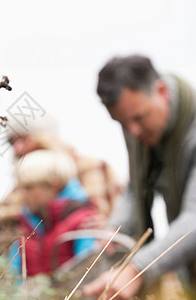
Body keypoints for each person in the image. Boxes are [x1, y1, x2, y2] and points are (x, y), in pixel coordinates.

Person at [83, 54, 196, 299]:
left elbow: (195, 217)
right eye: (122, 123)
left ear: (162, 90)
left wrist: (137, 268)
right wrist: (114, 227)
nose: (132, 131)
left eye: (138, 118)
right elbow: (136, 188)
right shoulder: (138, 129)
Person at [9, 149, 98, 276]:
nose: (22, 195)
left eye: (29, 187)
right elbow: (13, 276)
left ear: (54, 186)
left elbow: (86, 274)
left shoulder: (84, 222)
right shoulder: (25, 226)